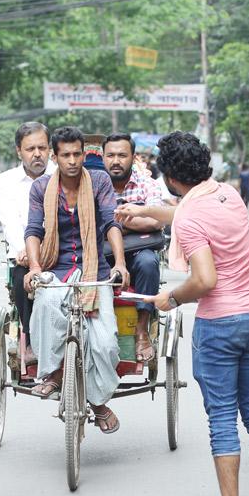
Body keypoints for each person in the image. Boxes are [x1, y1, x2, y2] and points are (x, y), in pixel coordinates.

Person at [139, 131, 249, 496]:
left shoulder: (188, 219)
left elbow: (204, 279)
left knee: (222, 418)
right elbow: (186, 213)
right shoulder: (229, 195)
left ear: (170, 177)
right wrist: (146, 213)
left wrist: (171, 297)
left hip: (219, 324)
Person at [23, 126, 129, 434]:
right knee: (45, 304)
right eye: (65, 155)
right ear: (55, 157)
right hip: (55, 268)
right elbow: (33, 230)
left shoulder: (99, 181)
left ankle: (98, 402)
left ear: (85, 154)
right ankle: (53, 374)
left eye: (77, 154)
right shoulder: (41, 188)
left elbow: (111, 223)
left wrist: (120, 263)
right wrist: (34, 267)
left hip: (93, 269)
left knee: (106, 342)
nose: (72, 160)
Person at [0, 121, 55, 364]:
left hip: (58, 250)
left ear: (50, 149)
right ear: (19, 151)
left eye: (42, 147)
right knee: (23, 279)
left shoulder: (62, 174)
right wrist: (25, 251)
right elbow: (9, 221)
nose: (37, 154)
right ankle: (29, 342)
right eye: (30, 149)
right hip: (23, 255)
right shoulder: (6, 180)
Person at [102, 133, 164, 363]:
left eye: (122, 155)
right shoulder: (93, 183)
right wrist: (135, 220)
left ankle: (141, 331)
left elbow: (156, 221)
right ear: (103, 157)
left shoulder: (148, 183)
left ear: (133, 157)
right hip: (104, 254)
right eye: (110, 155)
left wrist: (112, 223)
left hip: (139, 252)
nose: (116, 161)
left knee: (149, 262)